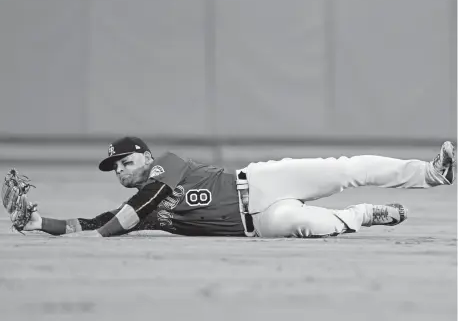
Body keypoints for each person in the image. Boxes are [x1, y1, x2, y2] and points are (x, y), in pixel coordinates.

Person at [19, 136, 456, 238]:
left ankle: (433, 173)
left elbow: (140, 204)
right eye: (115, 167)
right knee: (307, 225)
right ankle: (362, 215)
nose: (120, 170)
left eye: (126, 161)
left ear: (147, 159)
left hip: (261, 182)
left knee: (345, 168)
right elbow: (97, 221)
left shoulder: (165, 168)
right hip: (258, 224)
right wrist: (40, 222)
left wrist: (102, 234)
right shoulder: (135, 211)